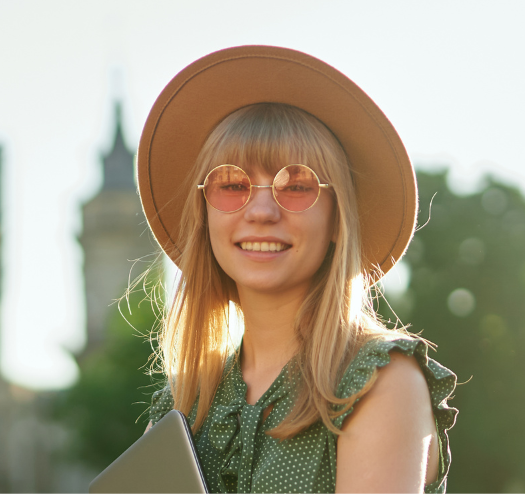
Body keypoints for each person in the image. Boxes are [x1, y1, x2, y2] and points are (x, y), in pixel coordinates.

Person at [136, 46, 459, 493]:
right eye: (233, 185)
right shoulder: (181, 407)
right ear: (204, 214)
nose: (262, 210)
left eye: (298, 186)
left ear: (336, 219)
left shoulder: (377, 381)